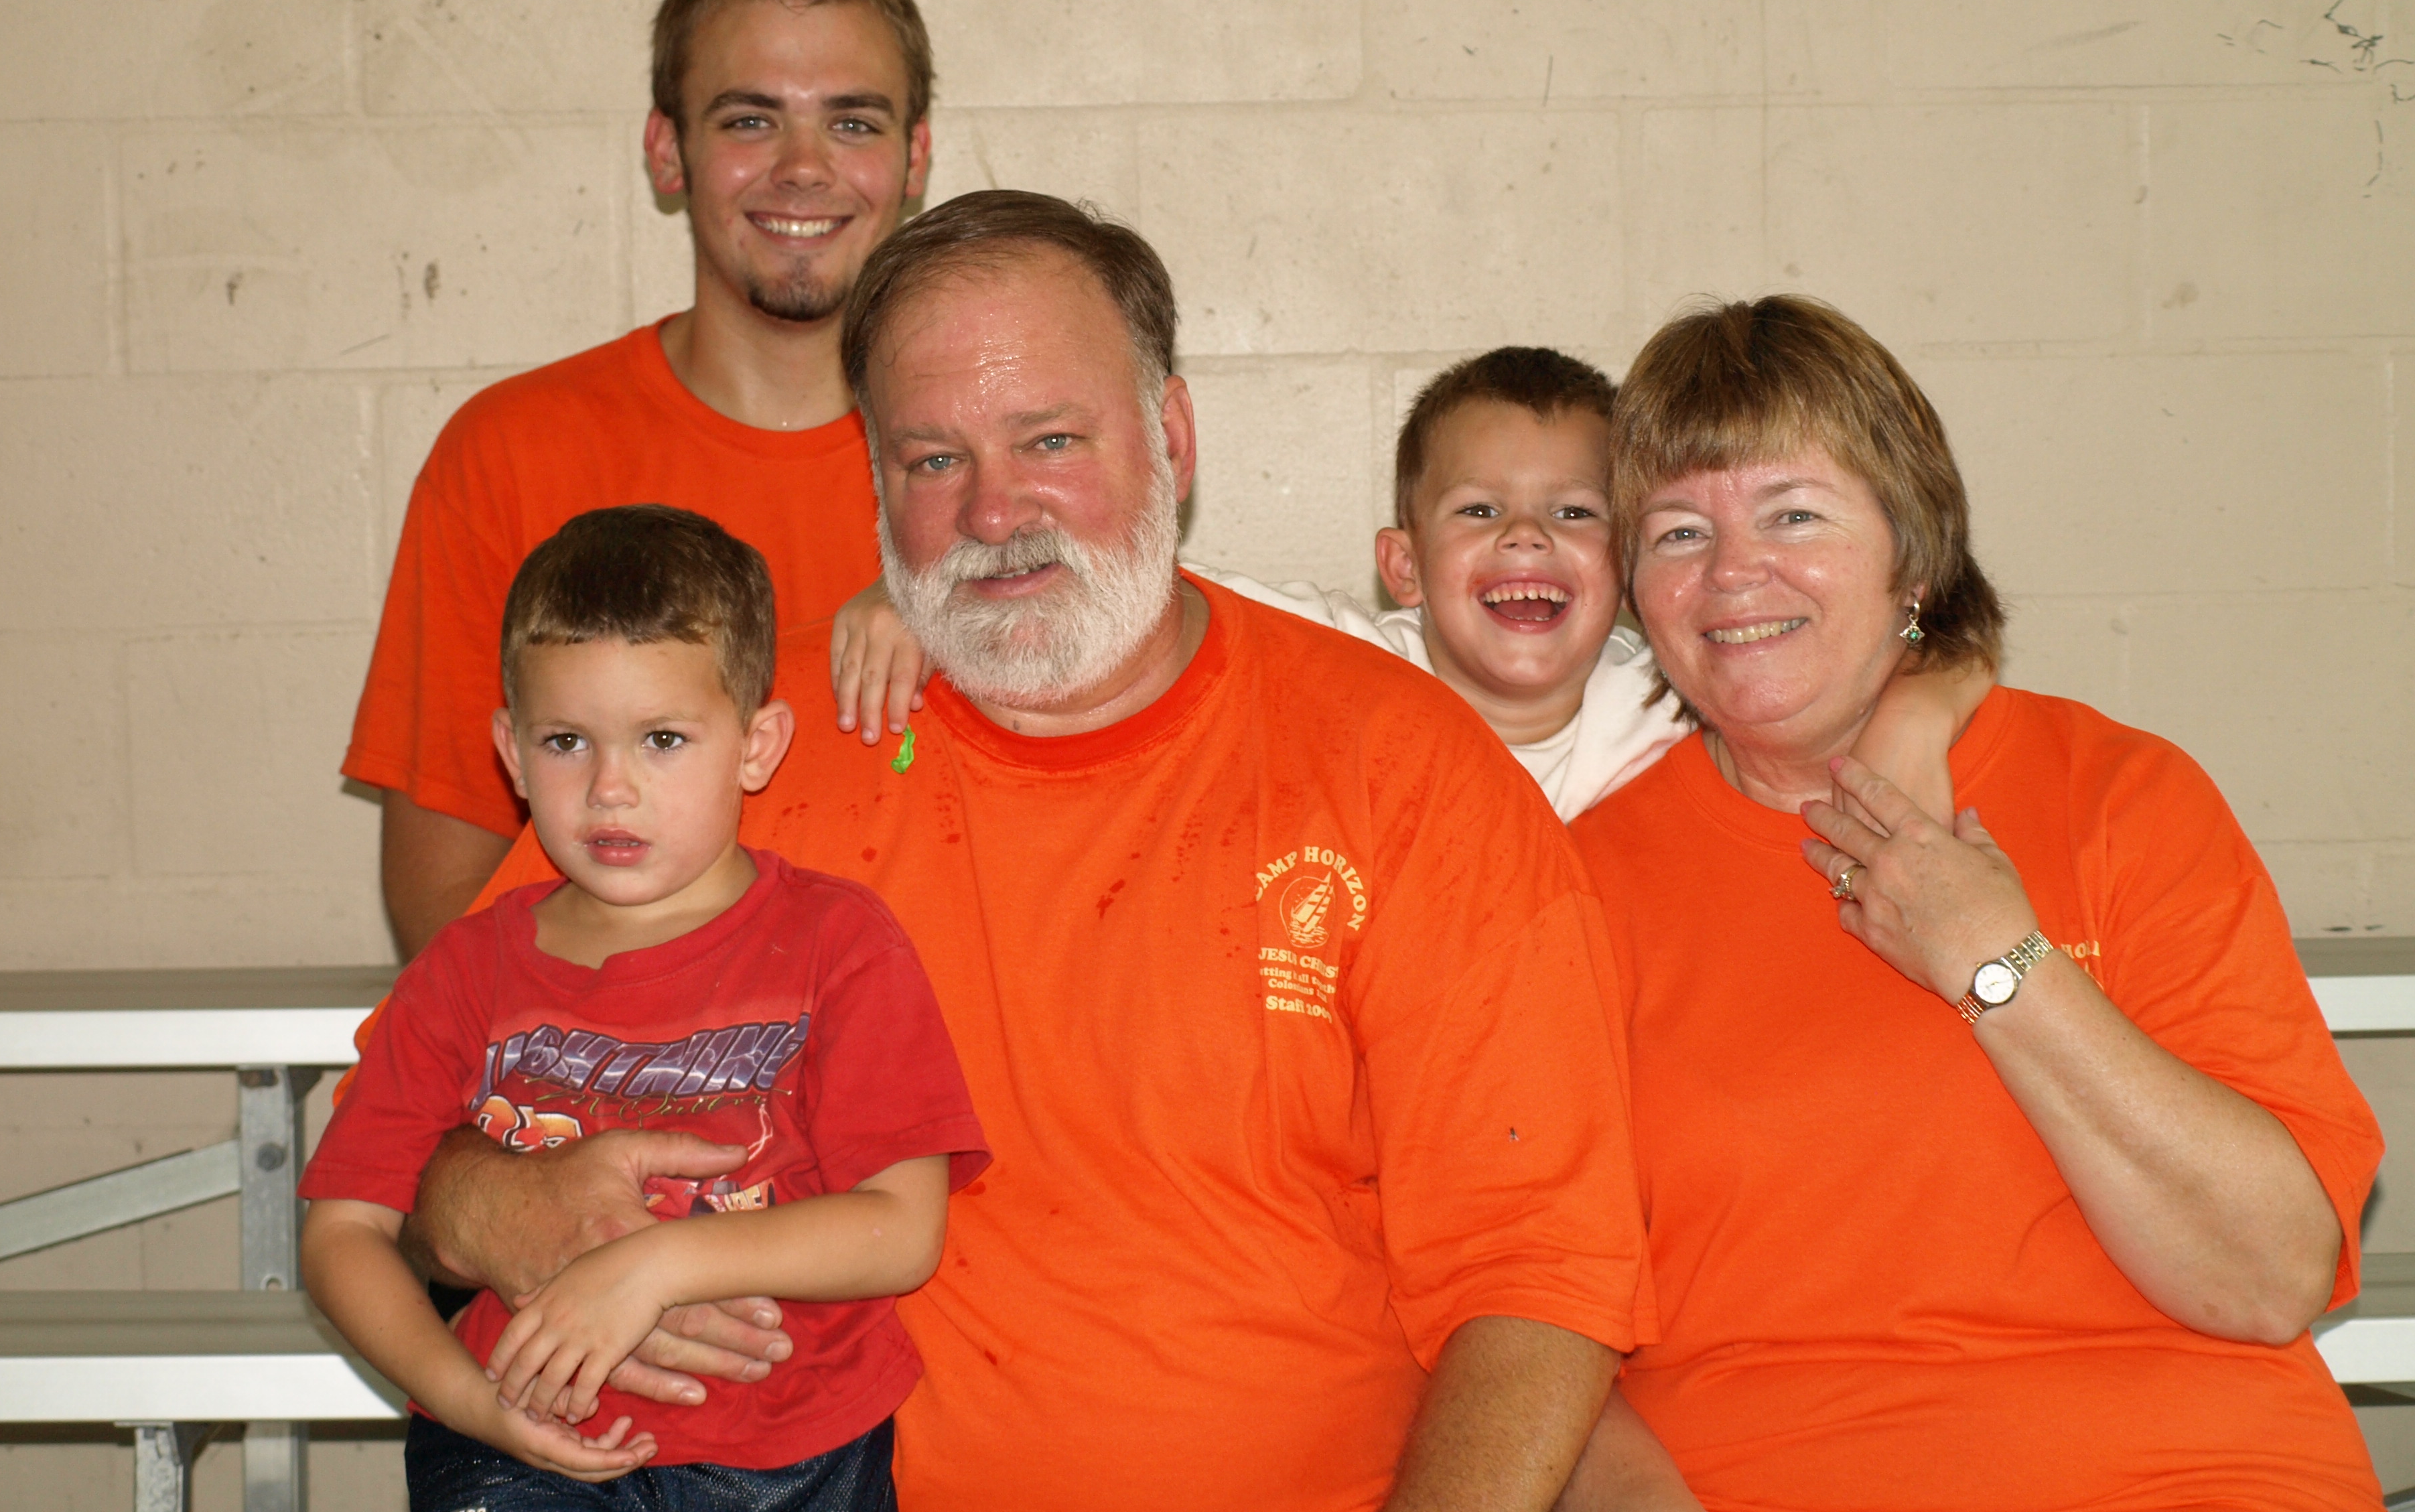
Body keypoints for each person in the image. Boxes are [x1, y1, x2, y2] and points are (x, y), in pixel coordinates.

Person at [403, 191, 1655, 1512]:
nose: (993, 512)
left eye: (1049, 440)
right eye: (933, 460)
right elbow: (400, 1149)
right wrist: (500, 1209)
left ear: (1172, 438)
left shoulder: (1403, 769)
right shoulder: (729, 758)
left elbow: (1538, 1282)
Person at [1560, 295, 2384, 1510]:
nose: (1732, 571)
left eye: (1794, 514)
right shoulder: (1578, 886)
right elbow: (1519, 1304)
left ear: (1915, 556)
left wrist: (1998, 960)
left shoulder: (2120, 798)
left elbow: (2272, 1280)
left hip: (2191, 1475)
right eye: (1679, 532)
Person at [303, 505, 987, 1507]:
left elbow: (899, 1228)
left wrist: (655, 1266)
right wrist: (467, 1402)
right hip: (516, 1442)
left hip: (791, 1452)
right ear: (511, 751)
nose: (610, 788)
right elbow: (341, 1235)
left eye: (662, 739)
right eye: (566, 741)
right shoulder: (464, 969)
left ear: (757, 746)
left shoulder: (839, 944)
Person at [345, 0, 935, 956]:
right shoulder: (513, 454)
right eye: (750, 120)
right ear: (668, 152)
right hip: (615, 1053)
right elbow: (447, 908)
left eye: (852, 122)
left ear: (915, 157)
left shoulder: (995, 477)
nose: (804, 168)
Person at [832, 342, 1982, 825]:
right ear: (1402, 569)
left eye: (1574, 514)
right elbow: (1114, 584)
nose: (1525, 540)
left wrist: (1923, 714)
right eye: (1479, 512)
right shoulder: (1339, 657)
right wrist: (916, 601)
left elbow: (1900, 639)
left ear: (1631, 571)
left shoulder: (1664, 696)